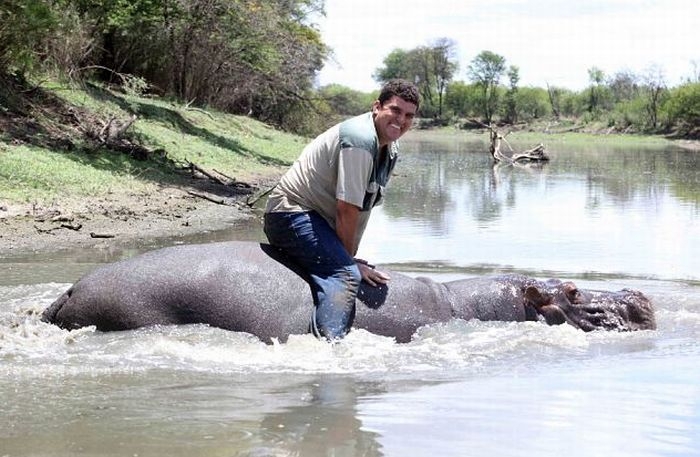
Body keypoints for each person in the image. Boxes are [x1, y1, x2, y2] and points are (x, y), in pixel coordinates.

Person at [263, 78, 420, 341]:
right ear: (377, 107)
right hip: (291, 212)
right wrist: (348, 263)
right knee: (345, 275)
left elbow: (362, 209)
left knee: (349, 265)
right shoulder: (360, 140)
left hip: (317, 218)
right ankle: (328, 351)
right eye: (394, 110)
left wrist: (351, 255)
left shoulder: (390, 148)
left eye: (408, 115)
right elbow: (347, 209)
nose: (400, 120)